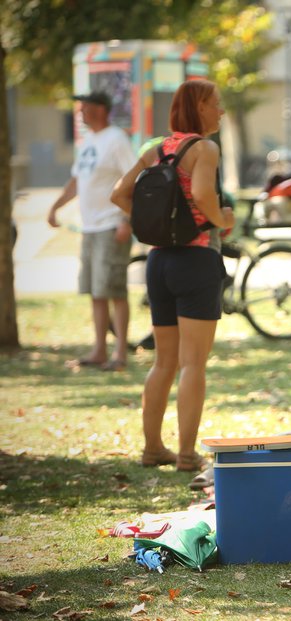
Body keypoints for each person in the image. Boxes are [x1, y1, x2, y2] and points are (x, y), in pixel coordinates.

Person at [110, 79, 234, 471]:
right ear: (199, 108)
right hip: (196, 261)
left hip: (158, 262)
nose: (221, 111)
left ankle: (152, 449)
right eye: (216, 104)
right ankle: (185, 454)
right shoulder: (205, 149)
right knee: (193, 363)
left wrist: (156, 224)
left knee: (163, 362)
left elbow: (119, 193)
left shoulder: (155, 149)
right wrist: (222, 220)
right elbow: (201, 194)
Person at [47, 90, 136, 370]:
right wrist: (55, 207)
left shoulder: (117, 140)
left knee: (114, 290)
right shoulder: (88, 142)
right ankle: (99, 349)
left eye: (84, 108)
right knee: (96, 291)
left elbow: (133, 179)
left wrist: (126, 220)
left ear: (99, 109)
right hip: (90, 228)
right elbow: (77, 181)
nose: (80, 113)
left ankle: (119, 353)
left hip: (112, 226)